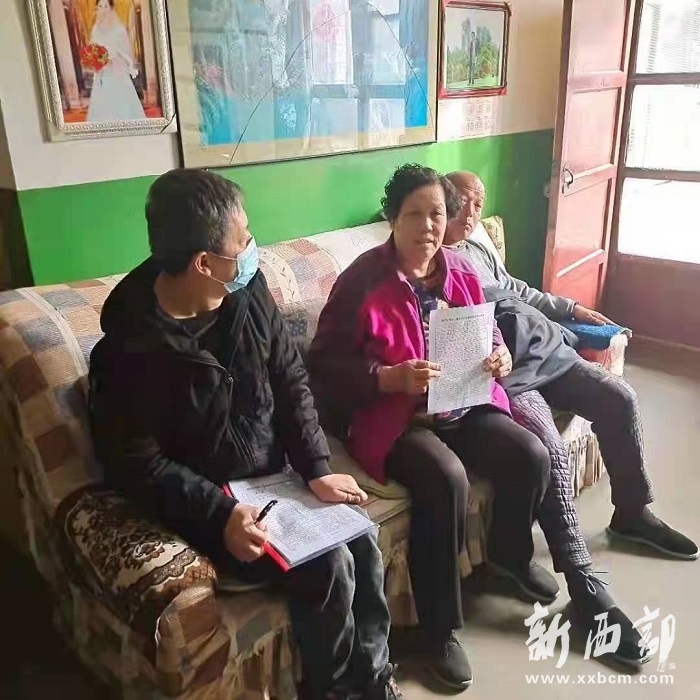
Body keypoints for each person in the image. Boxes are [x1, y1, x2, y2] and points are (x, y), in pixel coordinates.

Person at [88, 169, 400, 700]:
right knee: (331, 566)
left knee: (361, 538)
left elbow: (290, 377)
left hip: (276, 482)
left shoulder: (247, 291)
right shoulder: (127, 353)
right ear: (203, 263)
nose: (254, 249)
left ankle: (373, 681)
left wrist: (316, 468)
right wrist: (220, 515)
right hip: (212, 505)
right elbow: (137, 464)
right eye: (243, 240)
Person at [308, 164, 562, 691]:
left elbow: (489, 332)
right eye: (414, 214)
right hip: (394, 417)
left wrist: (500, 356)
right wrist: (387, 378)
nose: (428, 226)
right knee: (446, 478)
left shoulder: (461, 271)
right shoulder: (362, 281)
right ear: (392, 218)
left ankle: (509, 557)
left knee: (531, 454)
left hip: (463, 401)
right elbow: (324, 364)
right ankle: (436, 631)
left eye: (437, 214)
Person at [442, 170, 698, 647]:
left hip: (548, 347)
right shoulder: (430, 266)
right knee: (551, 451)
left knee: (619, 398)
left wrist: (573, 310)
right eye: (459, 202)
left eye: (477, 202)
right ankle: (584, 585)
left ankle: (632, 511)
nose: (470, 212)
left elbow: (518, 289)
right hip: (507, 371)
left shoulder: (477, 246)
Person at [86, 0, 146, 123]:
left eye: (105, 6)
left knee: (120, 100)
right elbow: (92, 48)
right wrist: (98, 59)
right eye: (100, 6)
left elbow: (125, 52)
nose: (103, 9)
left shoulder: (119, 30)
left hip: (117, 70)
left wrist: (113, 58)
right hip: (102, 71)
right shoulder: (95, 29)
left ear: (111, 8)